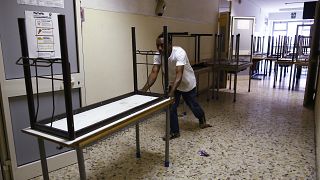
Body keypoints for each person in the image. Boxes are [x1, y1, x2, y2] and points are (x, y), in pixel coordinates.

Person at [141, 33, 212, 140]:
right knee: (171, 107)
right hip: (173, 83)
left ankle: (202, 118)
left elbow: (179, 74)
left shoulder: (179, 52)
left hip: (187, 83)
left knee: (193, 106)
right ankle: (174, 132)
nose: (159, 48)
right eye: (157, 45)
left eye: (162, 45)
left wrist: (171, 93)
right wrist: (144, 90)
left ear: (170, 44)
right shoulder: (158, 55)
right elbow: (154, 72)